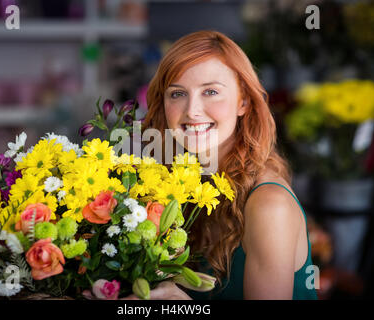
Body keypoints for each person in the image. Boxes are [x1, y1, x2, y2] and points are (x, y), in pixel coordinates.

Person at [127, 30, 318, 300]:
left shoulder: (268, 204)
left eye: (211, 92)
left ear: (244, 101)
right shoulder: (177, 185)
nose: (192, 110)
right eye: (178, 94)